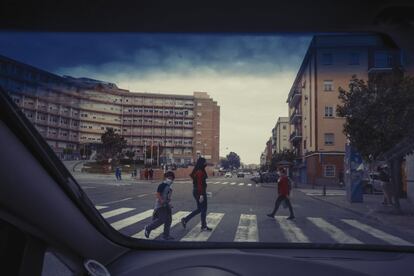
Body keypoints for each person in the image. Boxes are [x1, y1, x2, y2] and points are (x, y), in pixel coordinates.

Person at [181, 157, 212, 231]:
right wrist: (201, 195)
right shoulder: (200, 171)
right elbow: (199, 184)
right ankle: (203, 226)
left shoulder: (197, 170)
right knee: (204, 209)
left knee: (199, 209)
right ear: (201, 163)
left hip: (197, 191)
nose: (206, 164)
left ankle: (185, 219)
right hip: (200, 191)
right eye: (204, 162)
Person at [144, 171, 175, 240]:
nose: (170, 180)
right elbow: (158, 194)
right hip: (160, 206)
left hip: (166, 205)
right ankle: (148, 228)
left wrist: (169, 203)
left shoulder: (170, 187)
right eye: (169, 178)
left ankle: (166, 235)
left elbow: (168, 197)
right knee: (162, 219)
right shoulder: (162, 185)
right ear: (165, 178)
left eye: (172, 179)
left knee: (169, 220)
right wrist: (161, 201)